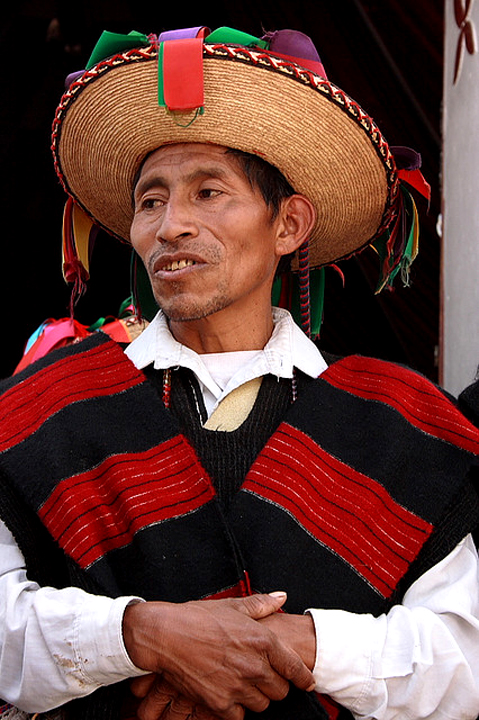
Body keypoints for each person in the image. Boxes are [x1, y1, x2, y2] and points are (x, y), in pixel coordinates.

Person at [1, 23, 479, 720]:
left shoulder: (397, 424)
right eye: (151, 200)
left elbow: (463, 657)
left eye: (208, 192)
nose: (170, 225)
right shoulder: (44, 410)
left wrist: (289, 644)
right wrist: (144, 635)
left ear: (288, 226)